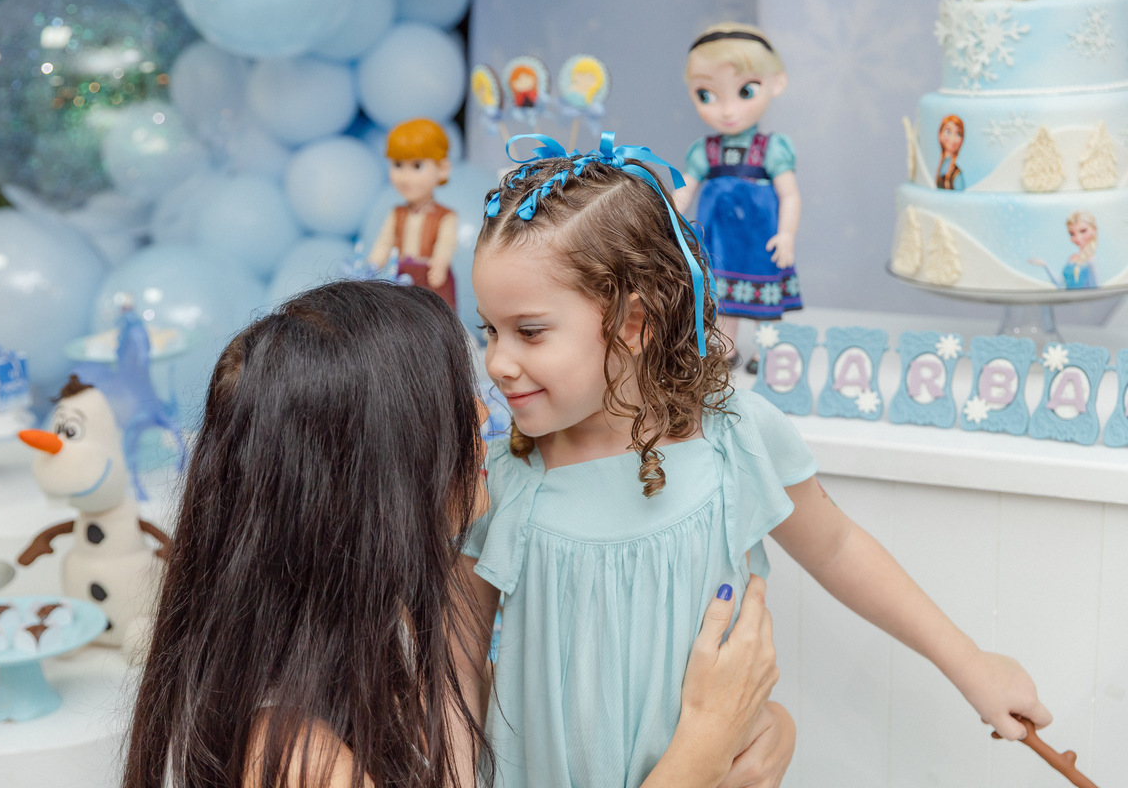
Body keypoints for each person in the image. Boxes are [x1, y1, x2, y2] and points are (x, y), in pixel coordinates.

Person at [467, 133, 1052, 788]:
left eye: (529, 332)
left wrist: (970, 663)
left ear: (632, 322)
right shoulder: (498, 481)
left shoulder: (735, 438)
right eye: (489, 330)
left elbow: (837, 548)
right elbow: (453, 674)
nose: (498, 361)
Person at [123, 280, 794, 788]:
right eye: (447, 403)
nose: (481, 410)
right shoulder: (295, 761)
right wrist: (702, 747)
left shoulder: (380, 661)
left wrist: (761, 731)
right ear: (379, 473)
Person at [673, 24, 802, 374]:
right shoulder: (705, 150)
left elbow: (789, 195)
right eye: (706, 95)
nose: (727, 110)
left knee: (765, 298)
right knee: (723, 298)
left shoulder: (771, 149)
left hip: (761, 239)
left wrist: (787, 235)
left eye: (745, 91)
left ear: (776, 82)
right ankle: (725, 349)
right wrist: (668, 216)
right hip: (719, 240)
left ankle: (767, 350)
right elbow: (685, 187)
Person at [368, 119, 459, 310]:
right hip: (402, 275)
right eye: (398, 165)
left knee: (435, 313)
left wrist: (440, 263)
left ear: (442, 169)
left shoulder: (445, 216)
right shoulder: (397, 214)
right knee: (404, 314)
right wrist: (374, 264)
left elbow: (446, 243)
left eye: (417, 166)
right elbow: (385, 241)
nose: (405, 177)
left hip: (431, 276)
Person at [1029, 210, 1099, 289]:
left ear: (1094, 230)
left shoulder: (1091, 260)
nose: (1078, 237)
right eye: (1072, 234)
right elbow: (1059, 284)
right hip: (1067, 296)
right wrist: (1045, 265)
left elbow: (1095, 288)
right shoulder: (1072, 258)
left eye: (1083, 231)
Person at [936, 115, 966, 191]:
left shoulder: (957, 174)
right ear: (940, 134)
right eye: (948, 132)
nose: (953, 138)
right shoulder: (942, 165)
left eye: (958, 134)